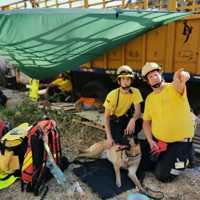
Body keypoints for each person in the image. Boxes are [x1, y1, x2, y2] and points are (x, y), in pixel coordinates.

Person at [137, 62, 194, 183]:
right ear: (147, 81)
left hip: (179, 142)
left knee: (163, 176)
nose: (153, 77)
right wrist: (150, 141)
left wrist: (182, 76)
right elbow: (146, 122)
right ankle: (167, 157)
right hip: (159, 142)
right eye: (150, 77)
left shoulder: (174, 87)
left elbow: (181, 80)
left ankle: (186, 157)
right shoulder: (150, 98)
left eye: (155, 74)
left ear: (161, 74)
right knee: (142, 165)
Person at [103, 65, 143, 149]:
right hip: (115, 120)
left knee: (140, 121)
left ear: (131, 81)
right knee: (119, 144)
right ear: (119, 81)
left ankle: (130, 134)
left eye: (128, 79)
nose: (125, 82)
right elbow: (106, 117)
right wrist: (109, 137)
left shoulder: (135, 92)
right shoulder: (112, 95)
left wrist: (133, 120)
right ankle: (119, 136)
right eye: (123, 79)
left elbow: (138, 111)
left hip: (124, 118)